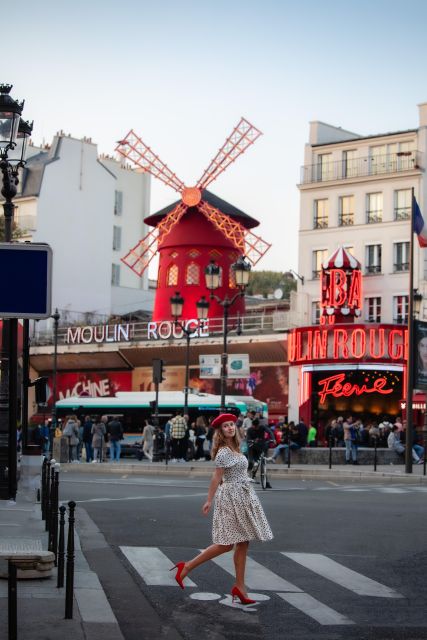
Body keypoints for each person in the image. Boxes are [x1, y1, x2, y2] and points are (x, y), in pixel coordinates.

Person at [170, 413, 273, 604]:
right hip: (231, 497)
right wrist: (209, 500)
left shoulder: (235, 447)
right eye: (226, 426)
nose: (230, 428)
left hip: (242, 496)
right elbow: (216, 477)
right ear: (220, 431)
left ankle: (240, 587)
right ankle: (187, 567)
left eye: (232, 425)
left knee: (243, 542)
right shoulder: (224, 451)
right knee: (226, 544)